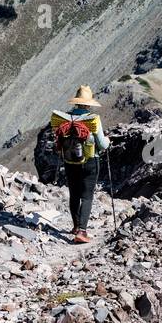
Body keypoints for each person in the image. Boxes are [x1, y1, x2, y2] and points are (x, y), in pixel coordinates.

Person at [50, 85, 111, 244]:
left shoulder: (65, 118)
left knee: (74, 194)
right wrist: (109, 141)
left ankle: (76, 226)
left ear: (77, 102)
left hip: (69, 160)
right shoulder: (92, 119)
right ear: (88, 103)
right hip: (90, 161)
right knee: (87, 196)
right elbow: (102, 144)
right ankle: (82, 232)